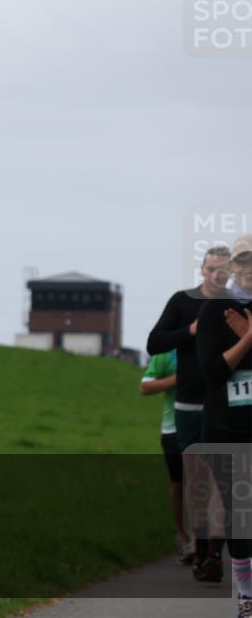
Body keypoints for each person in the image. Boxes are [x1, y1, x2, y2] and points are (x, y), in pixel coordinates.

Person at [148, 245, 231, 580]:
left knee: (221, 480)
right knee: (196, 482)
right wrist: (190, 331)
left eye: (223, 270)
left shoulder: (235, 304)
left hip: (223, 404)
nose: (216, 275)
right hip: (189, 406)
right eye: (211, 269)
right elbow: (154, 343)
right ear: (202, 270)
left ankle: (214, 554)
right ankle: (200, 550)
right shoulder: (182, 302)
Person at [195, 234, 252, 617]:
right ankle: (246, 595)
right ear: (232, 267)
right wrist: (249, 339)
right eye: (243, 261)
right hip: (223, 426)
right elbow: (213, 372)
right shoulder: (213, 311)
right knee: (239, 512)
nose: (249, 269)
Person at [139, 350, 190, 563]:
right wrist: (178, 379)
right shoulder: (166, 353)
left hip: (206, 423)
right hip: (173, 429)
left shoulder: (207, 341)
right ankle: (182, 536)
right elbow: (145, 387)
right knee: (179, 484)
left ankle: (207, 541)